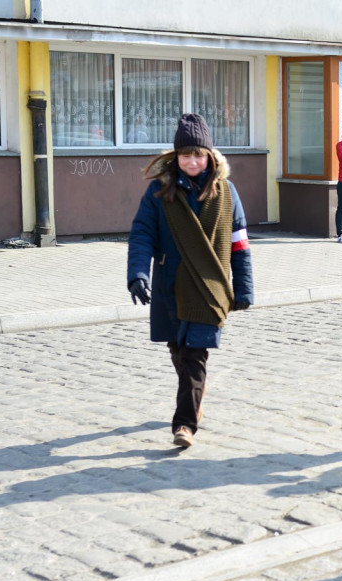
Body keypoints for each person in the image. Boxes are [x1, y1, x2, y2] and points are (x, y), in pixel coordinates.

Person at [126, 113, 254, 449]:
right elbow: (141, 234)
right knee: (179, 353)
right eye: (186, 155)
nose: (192, 161)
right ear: (175, 157)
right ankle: (194, 393)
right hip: (170, 286)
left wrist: (243, 287)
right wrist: (138, 273)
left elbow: (239, 243)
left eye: (198, 154)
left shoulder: (226, 192)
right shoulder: (159, 191)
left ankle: (184, 426)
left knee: (196, 355)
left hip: (209, 288)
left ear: (210, 156)